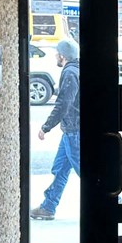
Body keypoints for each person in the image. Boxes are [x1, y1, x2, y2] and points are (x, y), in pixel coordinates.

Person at [29, 39, 80, 219]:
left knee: (86, 171)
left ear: (62, 56)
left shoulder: (70, 73)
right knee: (60, 169)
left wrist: (46, 127)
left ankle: (116, 201)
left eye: (56, 53)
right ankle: (48, 207)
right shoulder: (74, 70)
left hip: (74, 131)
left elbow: (63, 104)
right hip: (70, 130)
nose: (55, 56)